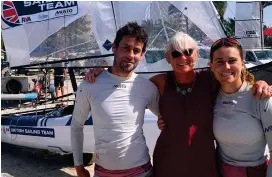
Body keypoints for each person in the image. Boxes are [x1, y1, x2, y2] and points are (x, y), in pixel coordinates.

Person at [85, 32, 272, 177]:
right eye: (176, 53)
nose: (183, 58)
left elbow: (237, 80)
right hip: (169, 162)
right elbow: (125, 84)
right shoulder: (159, 82)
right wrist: (103, 73)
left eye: (188, 52)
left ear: (196, 54)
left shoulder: (211, 79)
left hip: (205, 164)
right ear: (168, 57)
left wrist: (261, 84)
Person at [71, 22, 160, 177]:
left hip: (142, 172)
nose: (130, 55)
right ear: (114, 47)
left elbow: (167, 116)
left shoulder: (146, 87)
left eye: (136, 50)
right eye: (126, 48)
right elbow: (76, 126)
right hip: (103, 172)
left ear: (142, 55)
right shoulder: (90, 84)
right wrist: (79, 166)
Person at [209, 38, 272, 177]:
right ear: (211, 66)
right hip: (221, 171)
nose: (226, 67)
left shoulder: (261, 97)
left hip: (256, 172)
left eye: (232, 61)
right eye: (219, 62)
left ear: (243, 64)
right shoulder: (211, 96)